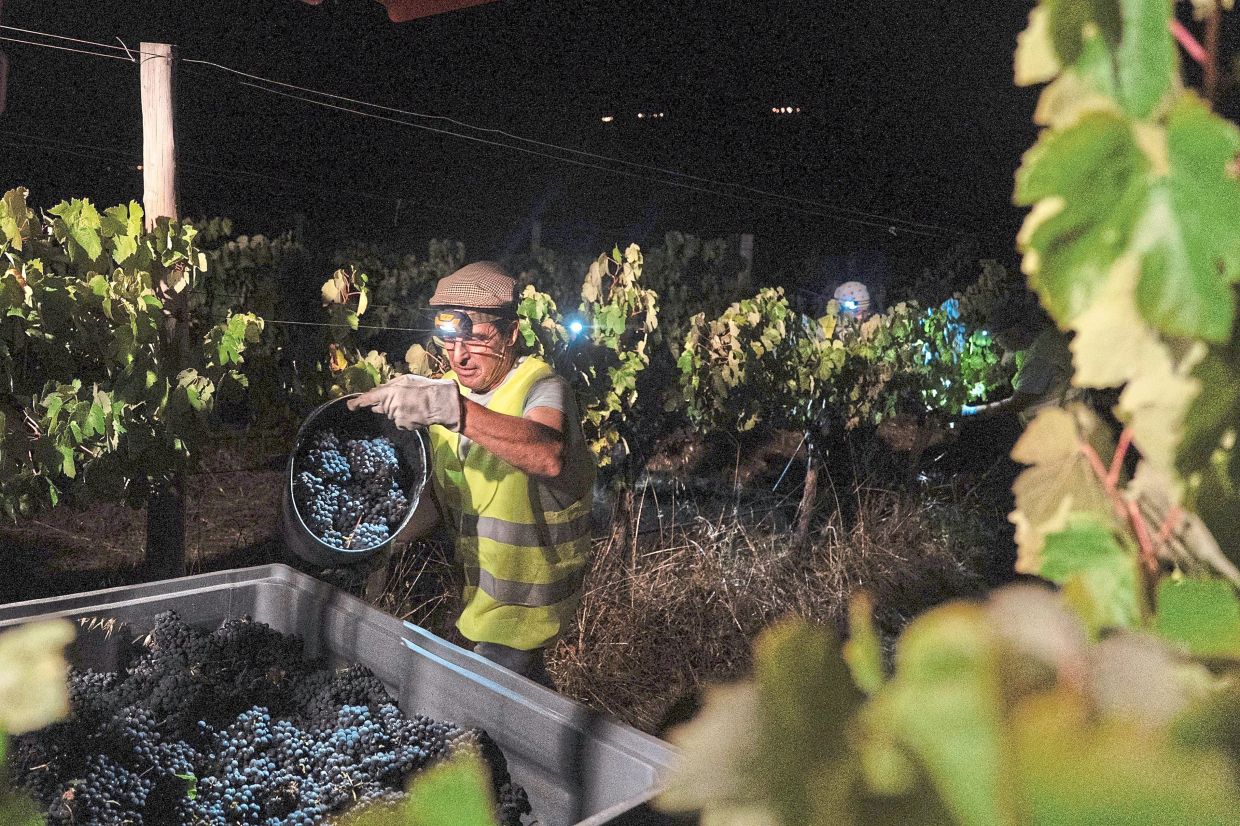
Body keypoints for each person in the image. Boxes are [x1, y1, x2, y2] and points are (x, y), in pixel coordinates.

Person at [348, 261, 597, 688]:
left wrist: (454, 411)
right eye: (449, 340)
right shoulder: (449, 391)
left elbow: (547, 453)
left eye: (477, 340)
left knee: (499, 721)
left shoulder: (541, 386)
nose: (459, 355)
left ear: (511, 334)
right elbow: (445, 502)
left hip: (526, 609)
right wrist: (381, 531)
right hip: (481, 602)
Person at [961, 293, 1076, 424]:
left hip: (1064, 428)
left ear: (1013, 332)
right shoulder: (1041, 338)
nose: (997, 344)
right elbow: (1006, 360)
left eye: (997, 338)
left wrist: (972, 411)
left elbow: (1016, 403)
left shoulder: (1039, 359)